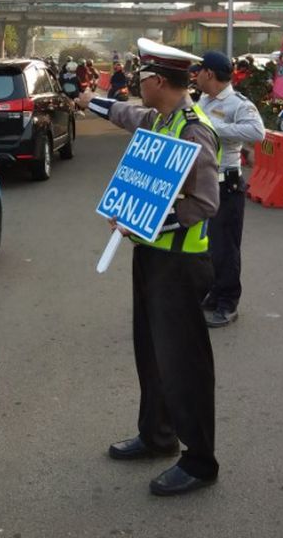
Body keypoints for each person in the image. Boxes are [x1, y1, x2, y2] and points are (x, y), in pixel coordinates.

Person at [78, 38, 222, 497]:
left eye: (141, 78)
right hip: (152, 256)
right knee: (151, 350)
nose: (136, 86)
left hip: (181, 262)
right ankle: (158, 435)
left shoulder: (193, 131)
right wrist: (89, 102)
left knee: (184, 363)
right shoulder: (161, 117)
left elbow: (204, 203)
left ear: (159, 81)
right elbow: (126, 115)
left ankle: (199, 460)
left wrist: (149, 221)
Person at [191, 51, 265, 328]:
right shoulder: (204, 100)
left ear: (209, 74)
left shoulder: (237, 103)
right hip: (204, 183)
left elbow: (257, 132)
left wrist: (211, 127)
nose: (195, 75)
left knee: (226, 247)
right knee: (208, 246)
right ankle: (214, 292)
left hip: (227, 183)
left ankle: (228, 302)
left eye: (199, 71)